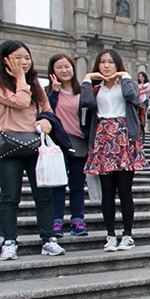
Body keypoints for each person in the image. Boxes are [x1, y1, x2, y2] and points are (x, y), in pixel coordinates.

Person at [0, 40, 65, 259]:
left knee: (44, 195)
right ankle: (9, 241)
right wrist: (21, 78)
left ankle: (48, 238)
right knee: (10, 196)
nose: (23, 62)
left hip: (34, 143)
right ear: (5, 59)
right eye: (18, 58)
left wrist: (46, 123)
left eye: (27, 58)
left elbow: (47, 111)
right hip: (7, 144)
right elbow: (20, 102)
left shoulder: (36, 87)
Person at [81, 49, 149, 252]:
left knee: (125, 191)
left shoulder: (126, 85)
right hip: (103, 139)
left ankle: (128, 235)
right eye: (102, 62)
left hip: (124, 138)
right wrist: (87, 78)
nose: (107, 66)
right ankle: (110, 235)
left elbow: (131, 96)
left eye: (111, 62)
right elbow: (86, 102)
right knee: (108, 192)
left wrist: (126, 76)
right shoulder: (96, 89)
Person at [46, 54, 89, 237]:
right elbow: (46, 112)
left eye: (67, 66)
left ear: (73, 68)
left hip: (79, 142)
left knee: (78, 184)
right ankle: (56, 220)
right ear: (52, 71)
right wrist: (55, 92)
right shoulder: (49, 93)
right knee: (58, 183)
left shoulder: (82, 93)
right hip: (58, 143)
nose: (64, 70)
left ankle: (77, 219)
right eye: (59, 67)